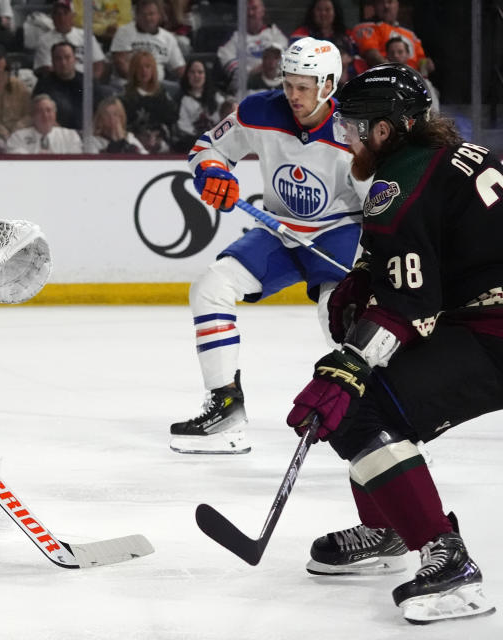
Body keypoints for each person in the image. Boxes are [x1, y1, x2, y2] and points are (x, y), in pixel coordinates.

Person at [285, 63, 499, 625]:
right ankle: (390, 526)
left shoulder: (396, 180)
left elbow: (410, 308)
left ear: (386, 130)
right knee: (365, 400)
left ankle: (446, 559)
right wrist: (370, 274)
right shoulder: (455, 157)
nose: (347, 137)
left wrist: (349, 364)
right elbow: (433, 254)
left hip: (493, 329)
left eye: (355, 126)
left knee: (359, 407)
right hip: (484, 315)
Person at [170, 37, 365, 455]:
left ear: (329, 85)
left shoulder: (355, 127)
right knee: (211, 287)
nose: (293, 95)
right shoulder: (260, 110)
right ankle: (225, 408)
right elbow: (208, 148)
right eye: (289, 84)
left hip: (339, 232)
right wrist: (212, 174)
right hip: (280, 229)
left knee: (339, 318)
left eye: (304, 86)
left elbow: (381, 197)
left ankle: (381, 415)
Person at [109, 0, 185, 87]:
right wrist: (141, 81)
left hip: (158, 86)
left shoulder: (168, 38)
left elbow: (180, 68)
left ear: (159, 15)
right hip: (129, 84)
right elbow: (120, 63)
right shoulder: (124, 32)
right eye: (143, 15)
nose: (148, 18)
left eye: (151, 14)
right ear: (136, 16)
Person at [216, 0, 287, 93]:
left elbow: (282, 62)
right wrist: (257, 70)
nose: (250, 13)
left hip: (275, 89)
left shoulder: (274, 33)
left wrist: (260, 69)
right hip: (246, 91)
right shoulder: (233, 38)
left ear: (262, 11)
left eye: (254, 8)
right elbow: (236, 76)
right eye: (246, 9)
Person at [353, 0, 431, 75]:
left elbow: (421, 60)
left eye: (390, 2)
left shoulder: (410, 34)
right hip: (388, 78)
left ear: (397, 4)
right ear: (374, 5)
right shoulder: (367, 28)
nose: (386, 6)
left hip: (416, 79)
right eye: (381, 2)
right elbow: (372, 56)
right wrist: (396, 72)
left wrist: (426, 64)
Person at [33, 0, 106, 81]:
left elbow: (98, 64)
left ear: (73, 16)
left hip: (86, 82)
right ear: (52, 18)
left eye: (65, 13)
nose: (61, 17)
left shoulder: (86, 36)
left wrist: (92, 83)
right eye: (57, 14)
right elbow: (46, 68)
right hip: (59, 83)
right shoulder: (44, 40)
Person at [120, 50, 175, 153]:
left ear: (153, 69)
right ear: (133, 70)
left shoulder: (162, 94)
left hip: (161, 142)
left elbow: (170, 121)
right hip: (134, 143)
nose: (143, 71)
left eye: (147, 67)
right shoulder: (125, 96)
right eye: (139, 67)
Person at [6, 93, 81, 154]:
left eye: (48, 110)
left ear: (55, 114)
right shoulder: (18, 137)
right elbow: (16, 161)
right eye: (40, 111)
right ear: (33, 115)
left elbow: (75, 162)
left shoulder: (70, 136)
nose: (45, 115)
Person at [175, 58, 224, 150]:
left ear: (205, 75)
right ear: (187, 75)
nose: (196, 76)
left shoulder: (217, 97)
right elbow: (183, 127)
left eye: (200, 72)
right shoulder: (181, 99)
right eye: (192, 72)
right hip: (192, 143)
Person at [385, 36, 438, 114]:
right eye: (392, 52)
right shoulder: (381, 79)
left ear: (408, 54)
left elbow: (434, 112)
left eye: (400, 52)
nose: (395, 55)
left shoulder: (422, 82)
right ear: (387, 55)